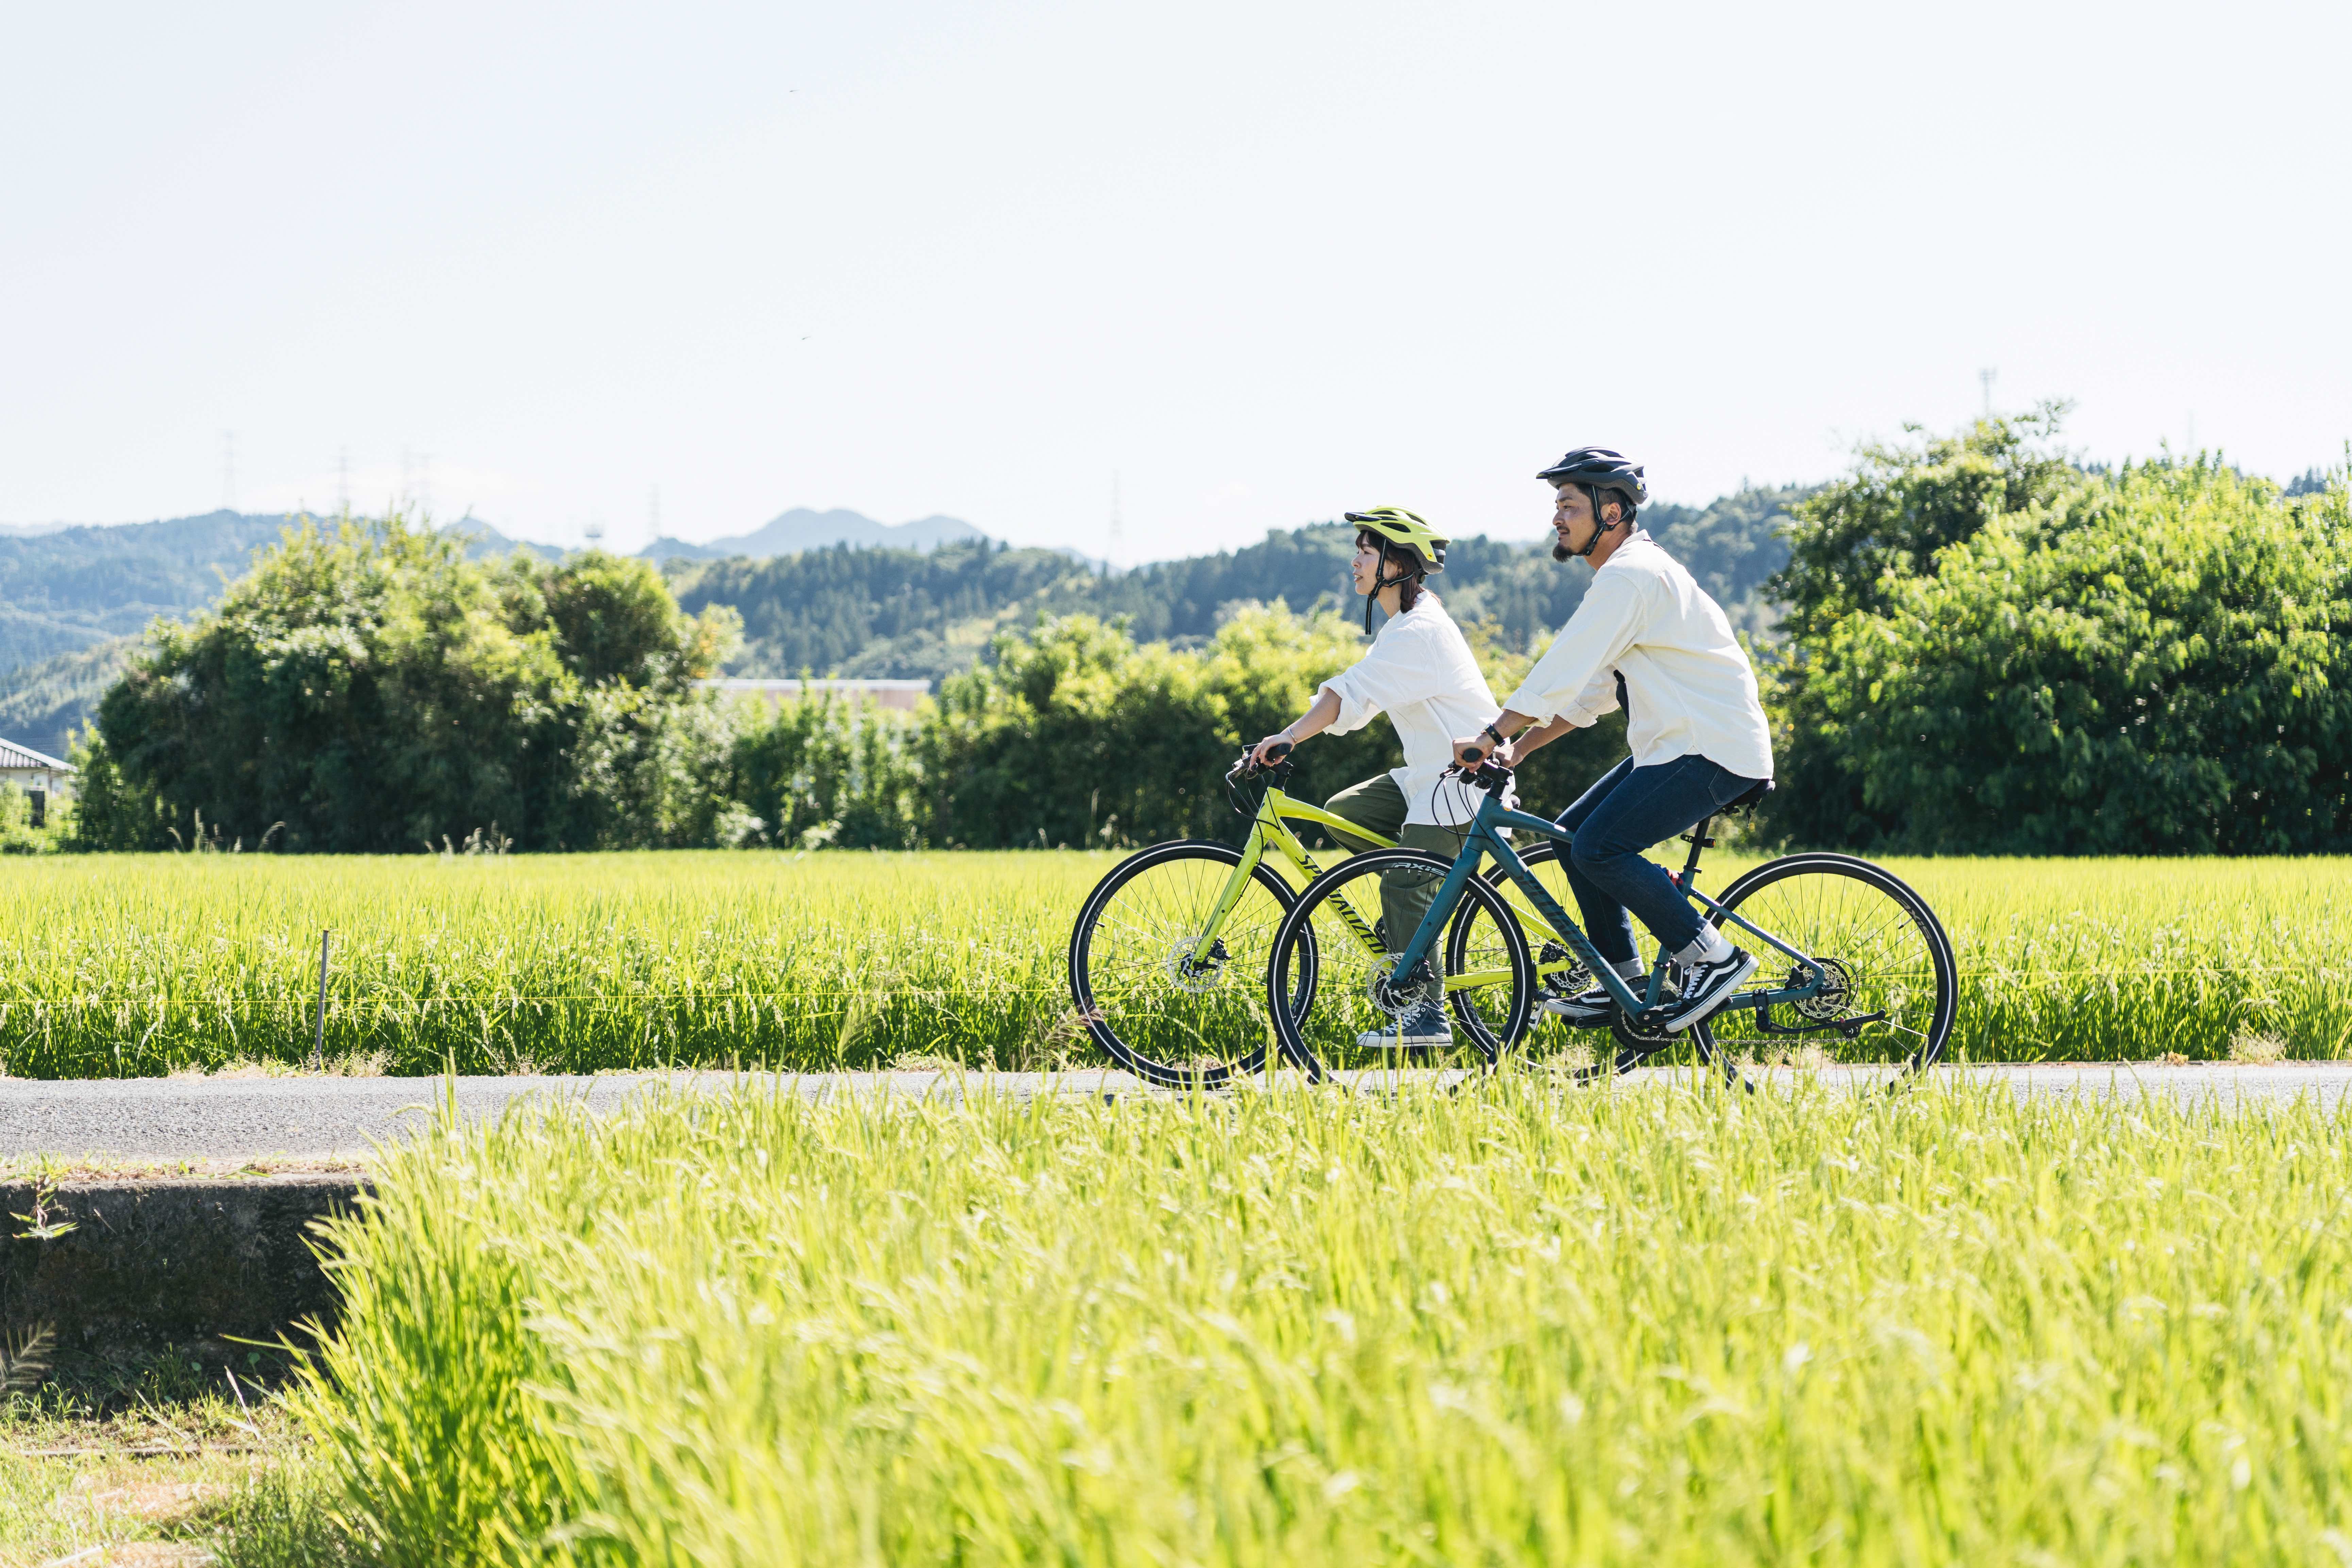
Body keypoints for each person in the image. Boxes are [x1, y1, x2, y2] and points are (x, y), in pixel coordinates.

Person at [1452, 448, 1774, 1032]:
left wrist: (1494, 731)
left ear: (1612, 511)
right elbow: (1590, 695)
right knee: (1572, 836)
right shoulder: (1625, 578)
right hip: (1680, 745)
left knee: (1599, 847)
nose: (1557, 518)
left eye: (1570, 506)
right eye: (1557, 506)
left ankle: (1712, 957)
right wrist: (1517, 750)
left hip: (1710, 746)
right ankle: (1619, 978)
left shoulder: (1631, 576)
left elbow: (1564, 667)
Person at [1248, 507, 1502, 1049]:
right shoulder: (1403, 628)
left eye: (1366, 552)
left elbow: (1348, 695)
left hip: (1461, 788)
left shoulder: (1421, 632)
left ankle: (1426, 1013)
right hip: (1425, 781)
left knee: (1404, 881)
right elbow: (1356, 698)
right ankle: (1420, 912)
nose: (1355, 561)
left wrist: (1290, 735)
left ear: (1397, 564)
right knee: (1344, 813)